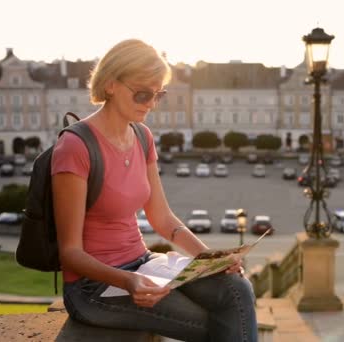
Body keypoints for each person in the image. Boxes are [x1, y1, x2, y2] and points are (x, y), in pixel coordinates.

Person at [52, 39, 257, 342]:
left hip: (144, 264)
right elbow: (69, 253)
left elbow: (162, 217)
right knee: (216, 322)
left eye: (157, 94)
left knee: (238, 289)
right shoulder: (75, 146)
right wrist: (129, 280)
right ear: (110, 85)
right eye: (142, 93)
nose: (150, 103)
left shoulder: (142, 136)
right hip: (92, 288)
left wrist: (210, 259)